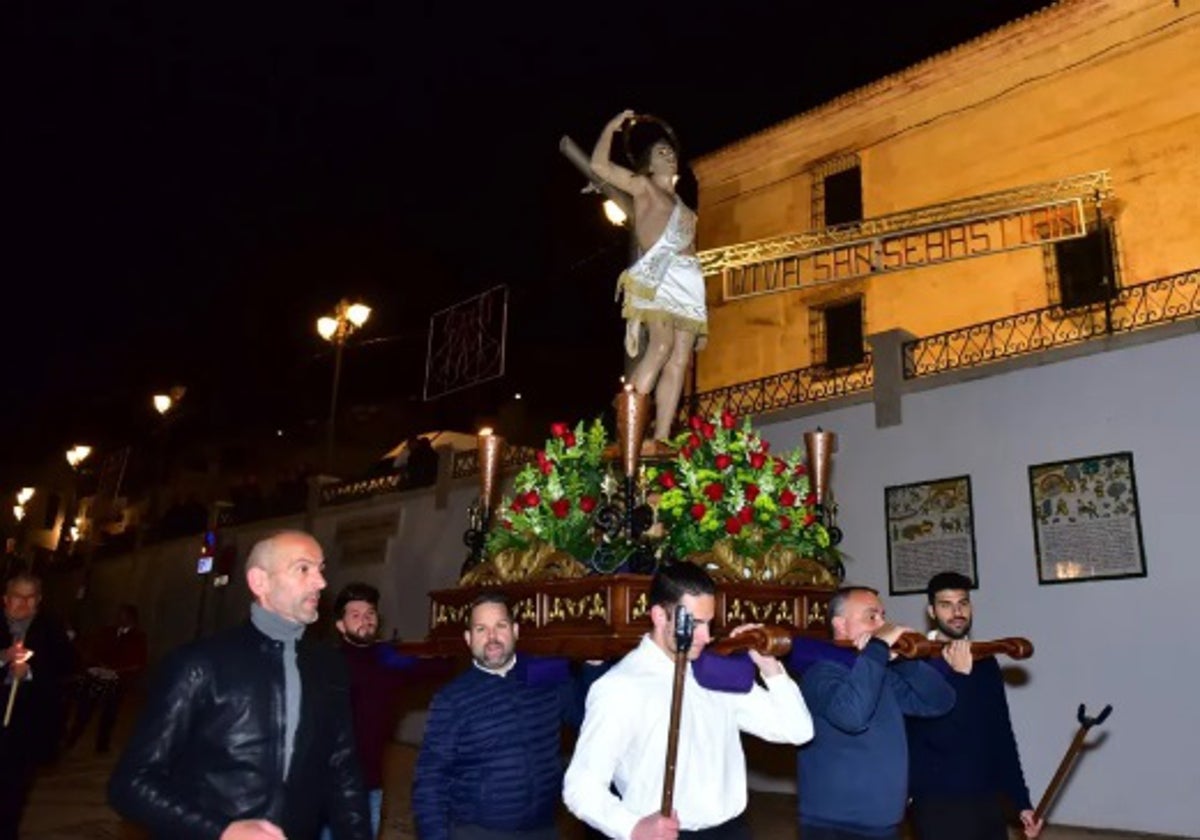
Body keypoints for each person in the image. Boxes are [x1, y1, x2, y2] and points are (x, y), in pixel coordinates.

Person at [108, 530, 371, 840]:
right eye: (303, 569)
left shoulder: (330, 666)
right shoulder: (199, 665)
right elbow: (130, 784)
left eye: (321, 569)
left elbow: (342, 770)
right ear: (260, 582)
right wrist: (220, 831)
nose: (321, 583)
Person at [563, 561, 813, 839]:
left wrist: (770, 667)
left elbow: (798, 731)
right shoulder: (621, 686)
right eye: (694, 624)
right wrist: (631, 827)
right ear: (659, 616)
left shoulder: (717, 672)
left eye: (709, 623)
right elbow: (581, 786)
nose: (706, 637)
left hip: (734, 831)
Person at [412, 591, 587, 840]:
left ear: (515, 631)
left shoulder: (547, 675)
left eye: (500, 626)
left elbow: (588, 718)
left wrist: (594, 664)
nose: (492, 637)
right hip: (477, 833)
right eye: (481, 629)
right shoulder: (452, 699)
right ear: (468, 638)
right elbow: (430, 779)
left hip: (543, 831)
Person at [789, 586, 955, 840]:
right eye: (871, 617)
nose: (882, 624)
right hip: (835, 824)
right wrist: (877, 648)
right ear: (841, 625)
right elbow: (852, 716)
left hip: (883, 822)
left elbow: (940, 702)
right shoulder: (819, 673)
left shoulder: (879, 671)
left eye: (882, 616)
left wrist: (907, 663)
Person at [589, 110, 707, 446]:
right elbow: (600, 167)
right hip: (659, 273)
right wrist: (612, 127)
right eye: (660, 152)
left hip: (688, 281)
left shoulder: (684, 206)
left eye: (671, 152)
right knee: (661, 345)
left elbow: (692, 248)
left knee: (681, 360)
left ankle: (662, 436)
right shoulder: (643, 187)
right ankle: (629, 421)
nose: (668, 155)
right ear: (648, 164)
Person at [906, 572, 1043, 840]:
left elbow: (1001, 733)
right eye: (946, 604)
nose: (957, 612)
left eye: (963, 603)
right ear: (931, 611)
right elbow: (934, 735)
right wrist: (959, 677)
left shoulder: (986, 661)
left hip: (986, 797)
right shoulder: (915, 663)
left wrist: (1021, 801)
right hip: (937, 800)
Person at [322, 582, 419, 840]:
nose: (365, 620)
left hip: (372, 785)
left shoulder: (386, 659)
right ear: (340, 625)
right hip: (329, 788)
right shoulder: (326, 665)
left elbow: (433, 665)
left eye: (370, 614)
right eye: (355, 615)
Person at [0, 572, 75, 840]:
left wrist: (30, 673)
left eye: (31, 598)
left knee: (12, 794)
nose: (24, 604)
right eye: (18, 597)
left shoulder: (51, 629)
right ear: (6, 599)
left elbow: (66, 667)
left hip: (25, 729)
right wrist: (3, 659)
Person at [65, 602, 148, 753]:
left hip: (116, 680)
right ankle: (71, 739)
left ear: (131, 618)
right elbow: (95, 648)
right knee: (85, 710)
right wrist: (96, 663)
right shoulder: (108, 631)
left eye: (123, 615)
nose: (119, 618)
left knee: (109, 714)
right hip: (98, 675)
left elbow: (138, 661)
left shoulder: (138, 637)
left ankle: (101, 745)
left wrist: (118, 670)